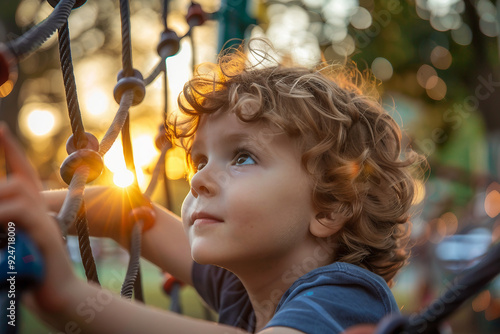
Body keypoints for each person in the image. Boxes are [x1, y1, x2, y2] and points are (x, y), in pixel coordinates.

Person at [0, 40, 423, 334]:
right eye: (200, 160)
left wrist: (70, 295)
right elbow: (127, 214)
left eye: (242, 157)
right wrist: (25, 209)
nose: (199, 179)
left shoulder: (346, 296)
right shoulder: (246, 284)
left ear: (329, 208)